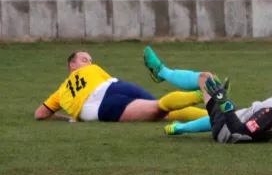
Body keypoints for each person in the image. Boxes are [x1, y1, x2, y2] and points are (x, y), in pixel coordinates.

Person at [143, 46, 272, 143]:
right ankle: (180, 128)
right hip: (237, 119)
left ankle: (160, 72)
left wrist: (225, 104)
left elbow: (240, 133)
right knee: (221, 105)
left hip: (226, 131)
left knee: (206, 79)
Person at [34, 50, 208, 123]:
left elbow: (40, 114)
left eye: (90, 60)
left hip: (106, 99)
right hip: (110, 93)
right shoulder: (72, 83)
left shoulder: (61, 92)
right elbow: (40, 115)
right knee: (161, 109)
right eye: (84, 59)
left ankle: (205, 101)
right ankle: (208, 102)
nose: (89, 62)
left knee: (160, 108)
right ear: (72, 65)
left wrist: (70, 119)